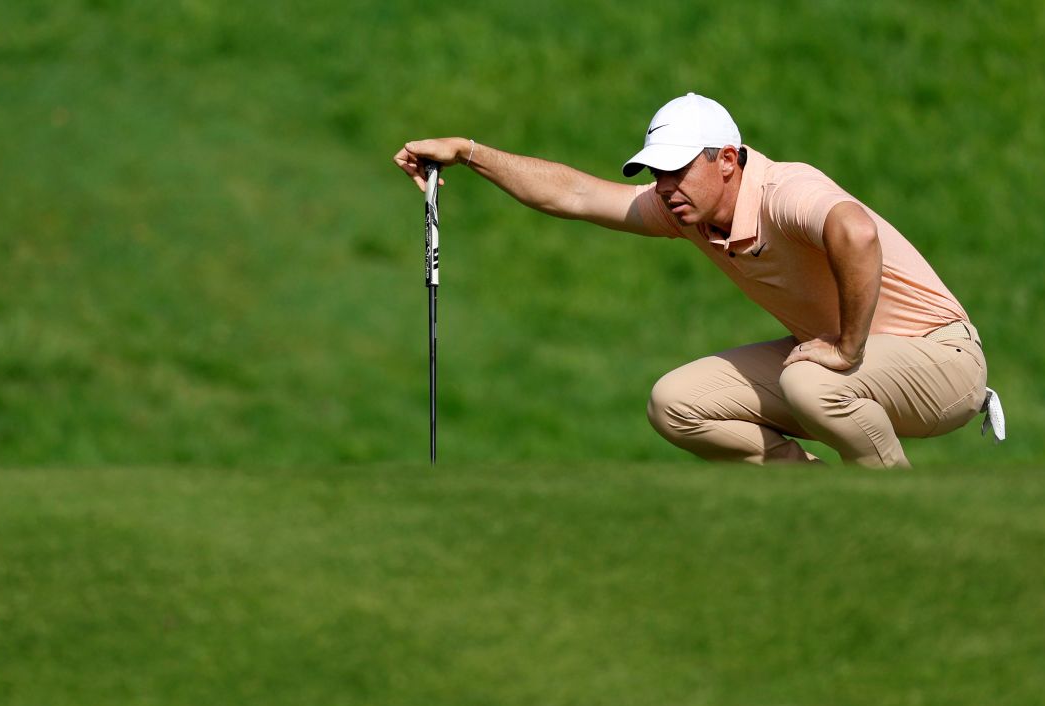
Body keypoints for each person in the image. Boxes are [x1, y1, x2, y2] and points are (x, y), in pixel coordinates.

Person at [393, 92, 1002, 468]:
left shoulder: (785, 190)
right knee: (677, 404)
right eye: (656, 174)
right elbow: (574, 194)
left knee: (811, 380)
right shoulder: (686, 212)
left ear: (728, 160)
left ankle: (895, 514)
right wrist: (470, 152)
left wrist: (847, 347)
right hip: (844, 369)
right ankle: (819, 506)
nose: (664, 187)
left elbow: (856, 232)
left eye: (676, 171)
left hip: (942, 360)